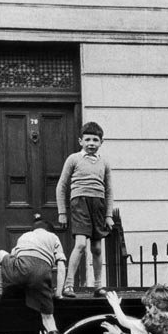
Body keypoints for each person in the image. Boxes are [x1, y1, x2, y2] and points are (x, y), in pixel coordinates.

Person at [56, 121, 114, 298]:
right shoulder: (73, 159)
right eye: (87, 139)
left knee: (96, 248)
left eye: (95, 140)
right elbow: (61, 186)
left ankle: (98, 286)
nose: (91, 143)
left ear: (101, 142)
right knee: (80, 244)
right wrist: (62, 212)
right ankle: (68, 285)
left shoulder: (104, 162)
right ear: (80, 141)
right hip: (79, 203)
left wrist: (109, 215)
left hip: (98, 206)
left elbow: (109, 190)